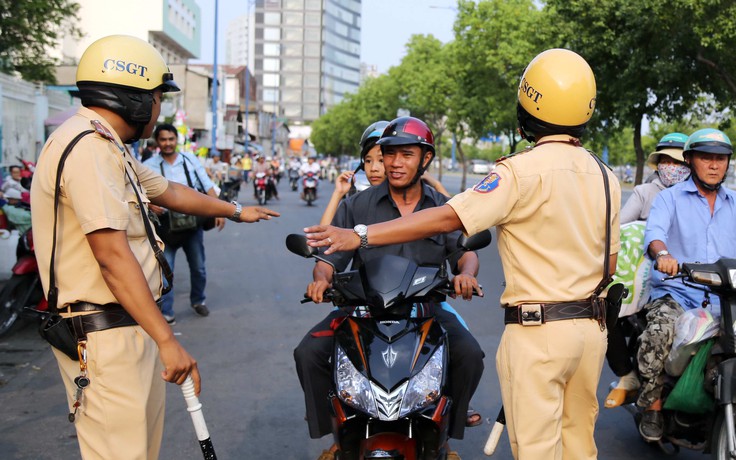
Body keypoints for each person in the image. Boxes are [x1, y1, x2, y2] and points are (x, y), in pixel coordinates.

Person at [306, 49, 620, 460]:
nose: (395, 162)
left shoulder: (519, 172)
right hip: (590, 331)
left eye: (406, 154)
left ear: (527, 105)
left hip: (540, 332)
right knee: (580, 445)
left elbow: (448, 219)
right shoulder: (605, 174)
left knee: (538, 450)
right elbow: (609, 264)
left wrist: (360, 236)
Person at [29, 35, 278, 460]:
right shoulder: (88, 148)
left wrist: (237, 210)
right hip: (105, 332)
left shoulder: (107, 146)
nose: (158, 110)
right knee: (122, 452)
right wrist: (168, 339)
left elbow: (170, 192)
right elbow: (110, 254)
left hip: (129, 325)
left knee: (139, 451)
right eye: (157, 98)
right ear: (134, 99)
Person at [294, 116, 485, 459]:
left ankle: (447, 435)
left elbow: (464, 252)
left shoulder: (441, 208)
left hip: (426, 310)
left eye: (406, 155)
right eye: (389, 154)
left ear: (425, 159)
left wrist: (465, 275)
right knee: (308, 352)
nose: (395, 163)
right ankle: (338, 433)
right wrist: (320, 281)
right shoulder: (357, 205)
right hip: (362, 310)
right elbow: (329, 258)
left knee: (469, 354)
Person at [635, 128, 736, 442]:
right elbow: (655, 233)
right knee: (656, 336)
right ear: (691, 159)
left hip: (726, 299)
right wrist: (663, 254)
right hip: (678, 293)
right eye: (707, 157)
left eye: (721, 158)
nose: (714, 164)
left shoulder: (734, 202)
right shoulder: (669, 198)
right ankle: (652, 405)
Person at [604, 132, 690, 408]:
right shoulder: (645, 192)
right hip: (643, 276)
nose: (672, 167)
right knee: (607, 313)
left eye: (678, 162)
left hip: (688, 277)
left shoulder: (698, 197)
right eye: (666, 160)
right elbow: (618, 229)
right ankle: (626, 376)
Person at [143, 124, 225, 324]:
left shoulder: (189, 160)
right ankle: (167, 312)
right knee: (165, 271)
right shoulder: (148, 165)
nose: (168, 143)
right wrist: (150, 204)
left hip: (192, 226)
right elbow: (136, 192)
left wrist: (221, 210)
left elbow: (207, 185)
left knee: (198, 268)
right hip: (165, 228)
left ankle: (198, 300)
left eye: (171, 139)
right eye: (163, 139)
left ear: (176, 140)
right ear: (157, 141)